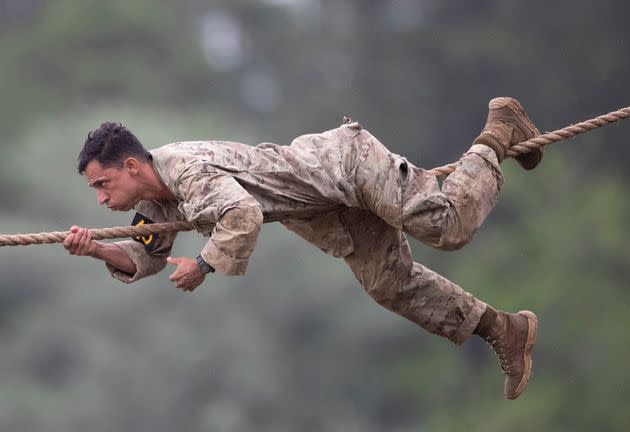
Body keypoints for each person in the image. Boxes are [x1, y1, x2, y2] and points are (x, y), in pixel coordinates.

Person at [64, 97, 543, 400]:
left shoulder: (187, 171)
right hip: (326, 211)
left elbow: (241, 216)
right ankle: (504, 330)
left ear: (130, 164)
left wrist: (204, 266)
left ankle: (498, 133)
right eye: (96, 192)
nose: (102, 199)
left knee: (447, 227)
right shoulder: (153, 198)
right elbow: (144, 257)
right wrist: (95, 251)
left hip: (344, 167)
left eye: (103, 185)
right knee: (388, 285)